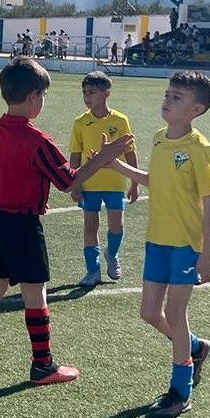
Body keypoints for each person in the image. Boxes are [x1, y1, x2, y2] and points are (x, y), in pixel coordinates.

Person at [0, 58, 132, 384]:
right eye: (44, 96)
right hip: (21, 224)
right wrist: (104, 159)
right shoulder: (36, 140)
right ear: (33, 97)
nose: (44, 101)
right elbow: (67, 181)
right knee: (35, 291)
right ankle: (43, 365)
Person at [110, 72, 210, 418]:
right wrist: (116, 165)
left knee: (174, 314)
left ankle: (180, 392)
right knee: (149, 313)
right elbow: (154, 181)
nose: (168, 100)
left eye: (177, 97)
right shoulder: (159, 138)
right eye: (168, 93)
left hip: (186, 245)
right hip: (156, 240)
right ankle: (196, 347)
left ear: (196, 109)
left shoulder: (198, 148)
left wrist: (206, 255)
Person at [69, 71, 138, 286]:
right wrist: (75, 183)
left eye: (92, 92)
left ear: (107, 93)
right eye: (84, 92)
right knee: (90, 227)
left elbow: (130, 153)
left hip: (115, 184)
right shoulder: (81, 122)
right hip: (89, 184)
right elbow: (75, 155)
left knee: (117, 226)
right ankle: (93, 271)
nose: (87, 97)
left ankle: (112, 255)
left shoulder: (120, 120)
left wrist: (135, 183)